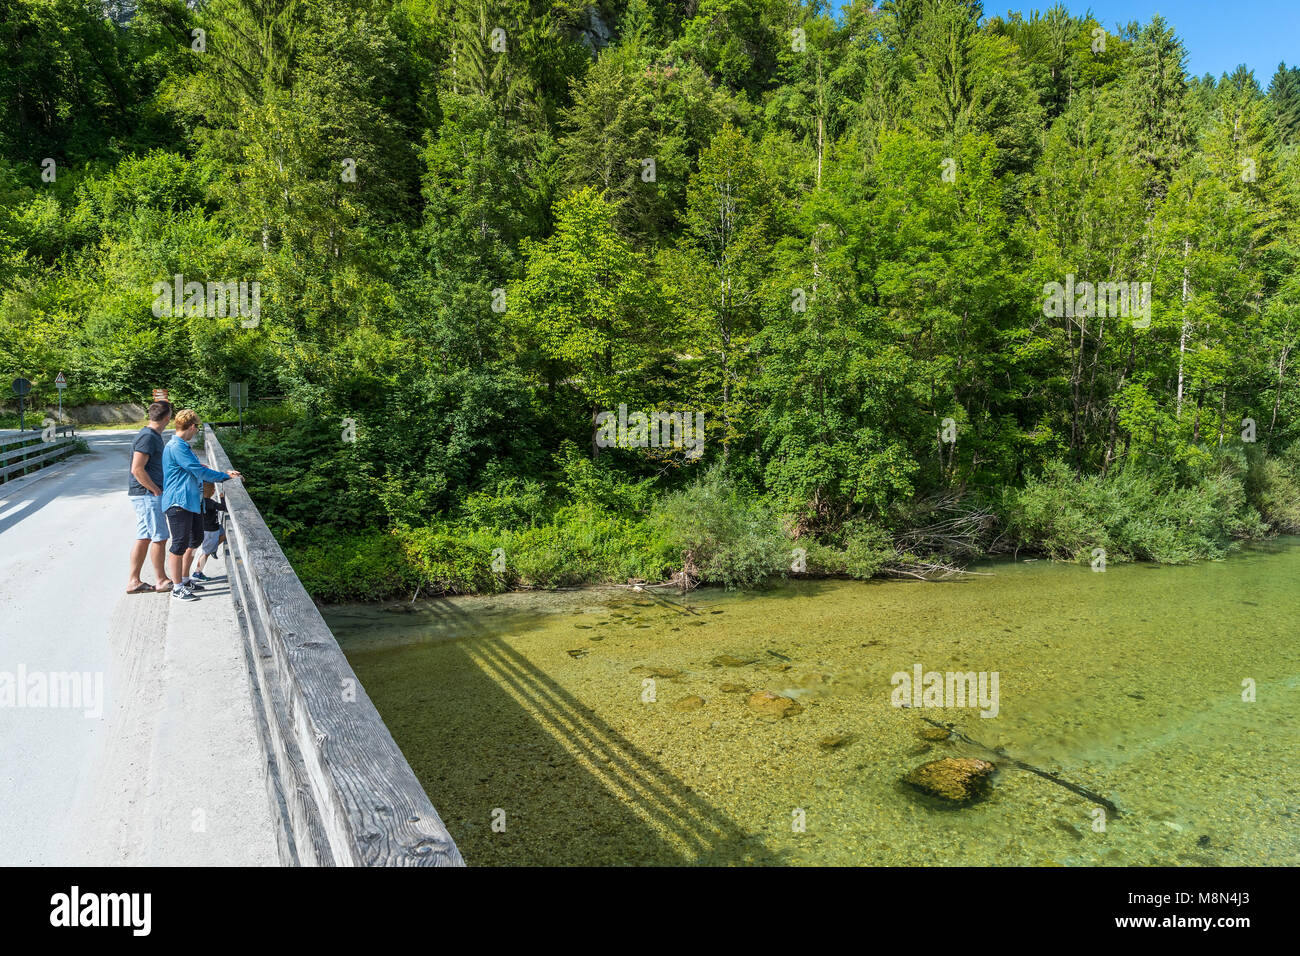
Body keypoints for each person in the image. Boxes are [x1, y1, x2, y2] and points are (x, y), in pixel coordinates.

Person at [161, 410, 242, 601]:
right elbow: (198, 471)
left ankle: (185, 579)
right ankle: (177, 587)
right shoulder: (176, 447)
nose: (197, 431)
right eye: (196, 427)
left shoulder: (183, 446)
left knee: (195, 540)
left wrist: (223, 472)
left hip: (192, 503)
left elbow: (200, 468)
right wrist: (224, 477)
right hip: (178, 502)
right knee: (179, 545)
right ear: (191, 427)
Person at [126, 401, 174, 594]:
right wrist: (155, 489)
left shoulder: (151, 435)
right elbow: (137, 469)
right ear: (167, 417)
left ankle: (133, 581)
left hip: (144, 494)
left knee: (144, 537)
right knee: (160, 537)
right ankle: (161, 580)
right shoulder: (148, 437)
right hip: (146, 494)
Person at [191, 481, 227, 581]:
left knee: (224, 534)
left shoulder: (199, 501)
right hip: (211, 531)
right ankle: (198, 572)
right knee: (205, 553)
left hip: (207, 529)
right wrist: (222, 498)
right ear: (212, 492)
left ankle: (213, 549)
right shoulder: (210, 503)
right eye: (214, 490)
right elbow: (224, 508)